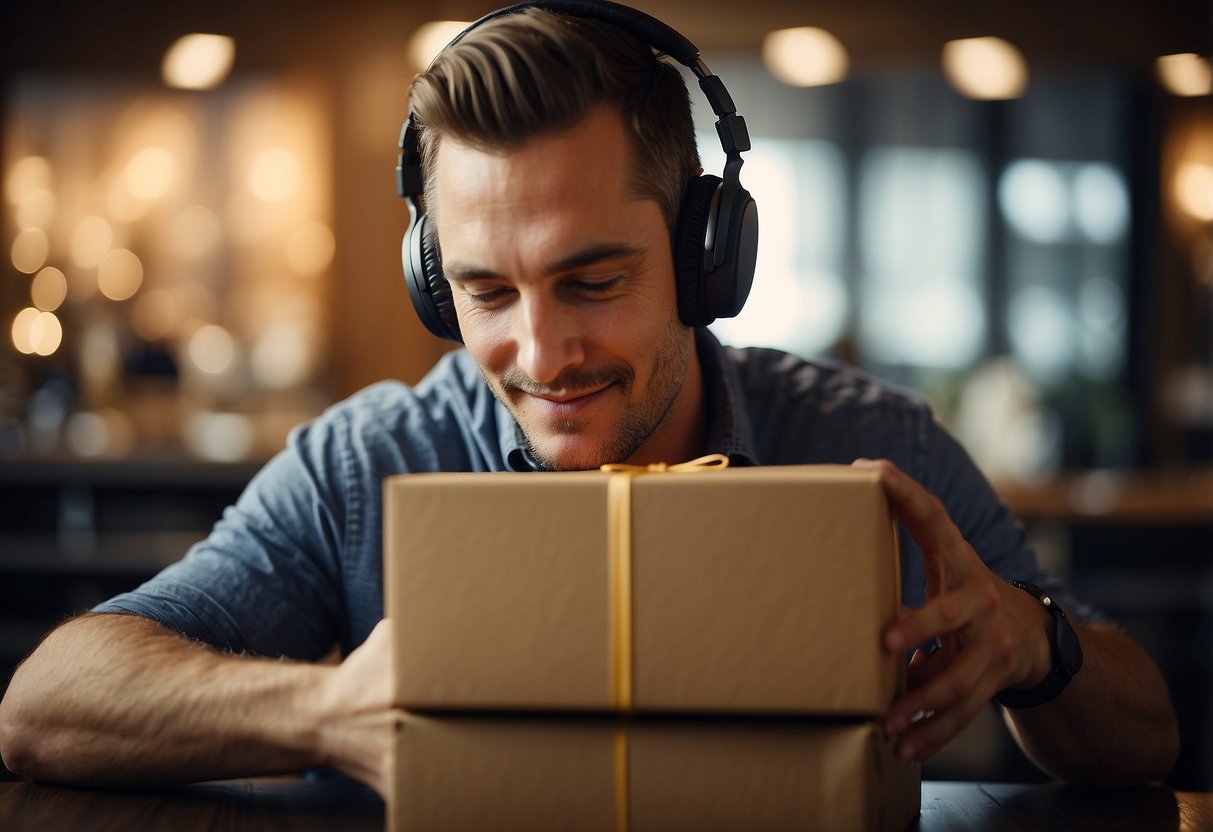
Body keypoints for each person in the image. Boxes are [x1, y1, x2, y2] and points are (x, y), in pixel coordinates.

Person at [0, 2, 1179, 801]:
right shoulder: (365, 463)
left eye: (593, 279)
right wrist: (320, 712)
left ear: (706, 258)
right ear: (432, 283)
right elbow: (45, 705)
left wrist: (1038, 644)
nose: (540, 350)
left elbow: (1149, 741)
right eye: (485, 290)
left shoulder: (867, 440)